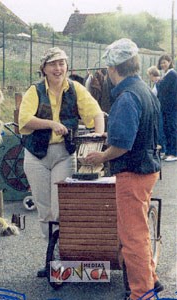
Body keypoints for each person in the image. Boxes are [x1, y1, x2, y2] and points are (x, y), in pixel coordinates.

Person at [85, 38, 163, 300]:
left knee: (132, 238)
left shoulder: (126, 98)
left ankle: (142, 293)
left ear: (112, 69)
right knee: (140, 230)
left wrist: (100, 157)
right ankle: (151, 279)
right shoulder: (144, 90)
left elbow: (121, 145)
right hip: (147, 169)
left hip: (132, 172)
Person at [18, 47, 104, 277]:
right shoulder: (34, 91)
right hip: (36, 155)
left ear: (67, 67)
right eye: (53, 64)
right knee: (45, 211)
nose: (58, 69)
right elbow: (24, 119)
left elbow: (96, 113)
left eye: (62, 64)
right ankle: (52, 258)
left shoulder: (76, 89)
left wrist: (98, 139)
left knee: (61, 209)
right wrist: (51, 124)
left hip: (64, 154)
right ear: (44, 69)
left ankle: (67, 256)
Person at [157, 54, 177, 162]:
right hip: (166, 107)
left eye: (164, 62)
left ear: (169, 62)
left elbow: (164, 89)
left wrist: (159, 82)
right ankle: (169, 152)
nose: (163, 64)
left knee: (171, 129)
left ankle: (173, 153)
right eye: (161, 63)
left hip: (171, 107)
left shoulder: (172, 74)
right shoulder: (166, 74)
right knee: (167, 129)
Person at [147, 66, 166, 157]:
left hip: (158, 109)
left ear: (151, 75)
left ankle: (162, 149)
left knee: (159, 129)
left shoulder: (158, 83)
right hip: (159, 108)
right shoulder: (157, 83)